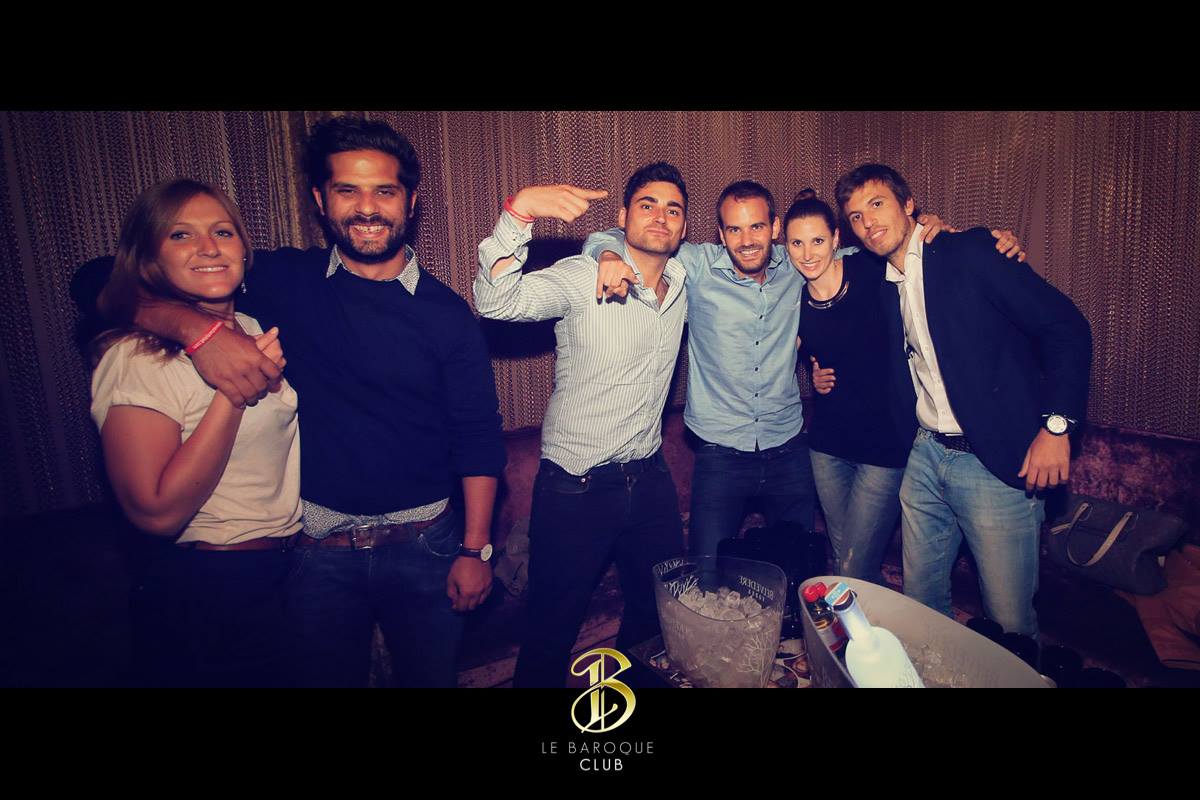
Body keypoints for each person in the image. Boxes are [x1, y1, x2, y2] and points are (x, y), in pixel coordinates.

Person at [76, 117, 507, 687]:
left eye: (384, 190)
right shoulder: (279, 281)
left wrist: (475, 551)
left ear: (410, 201)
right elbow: (97, 283)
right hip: (315, 553)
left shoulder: (446, 313)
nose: (367, 207)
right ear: (320, 200)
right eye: (347, 190)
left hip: (426, 545)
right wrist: (194, 329)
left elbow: (477, 436)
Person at [583, 183, 1017, 563]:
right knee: (706, 569)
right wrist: (607, 253)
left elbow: (889, 244)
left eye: (756, 227)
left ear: (775, 229)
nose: (746, 240)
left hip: (788, 448)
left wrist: (940, 233)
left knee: (800, 565)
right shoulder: (696, 266)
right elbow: (618, 237)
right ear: (720, 233)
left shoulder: (799, 261)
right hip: (719, 452)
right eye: (734, 229)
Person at [833, 163, 1092, 637]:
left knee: (1009, 624)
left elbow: (1067, 327)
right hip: (925, 456)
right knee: (922, 607)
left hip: (994, 465)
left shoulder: (970, 252)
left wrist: (1057, 428)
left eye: (877, 204)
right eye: (855, 216)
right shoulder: (882, 281)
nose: (867, 222)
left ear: (909, 205)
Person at [474, 164, 688, 688]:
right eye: (647, 205)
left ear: (684, 227)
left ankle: (623, 703)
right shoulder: (581, 275)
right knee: (551, 628)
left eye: (673, 209)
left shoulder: (684, 282)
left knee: (656, 614)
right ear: (623, 215)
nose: (660, 217)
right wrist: (520, 213)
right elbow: (495, 301)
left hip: (649, 477)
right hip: (577, 487)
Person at [90, 179, 300, 687]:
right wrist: (233, 391)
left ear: (244, 250)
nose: (208, 247)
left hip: (284, 573)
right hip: (209, 586)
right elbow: (155, 513)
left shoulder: (253, 327)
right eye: (180, 235)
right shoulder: (137, 357)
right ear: (150, 259)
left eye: (222, 232)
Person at [792, 190, 1028, 583]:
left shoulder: (873, 270)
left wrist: (952, 232)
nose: (807, 253)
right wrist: (813, 376)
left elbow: (919, 248)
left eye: (817, 240)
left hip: (885, 446)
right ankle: (871, 621)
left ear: (836, 239)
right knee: (843, 555)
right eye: (796, 243)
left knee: (854, 564)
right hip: (827, 445)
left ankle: (871, 619)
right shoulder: (793, 299)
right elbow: (801, 354)